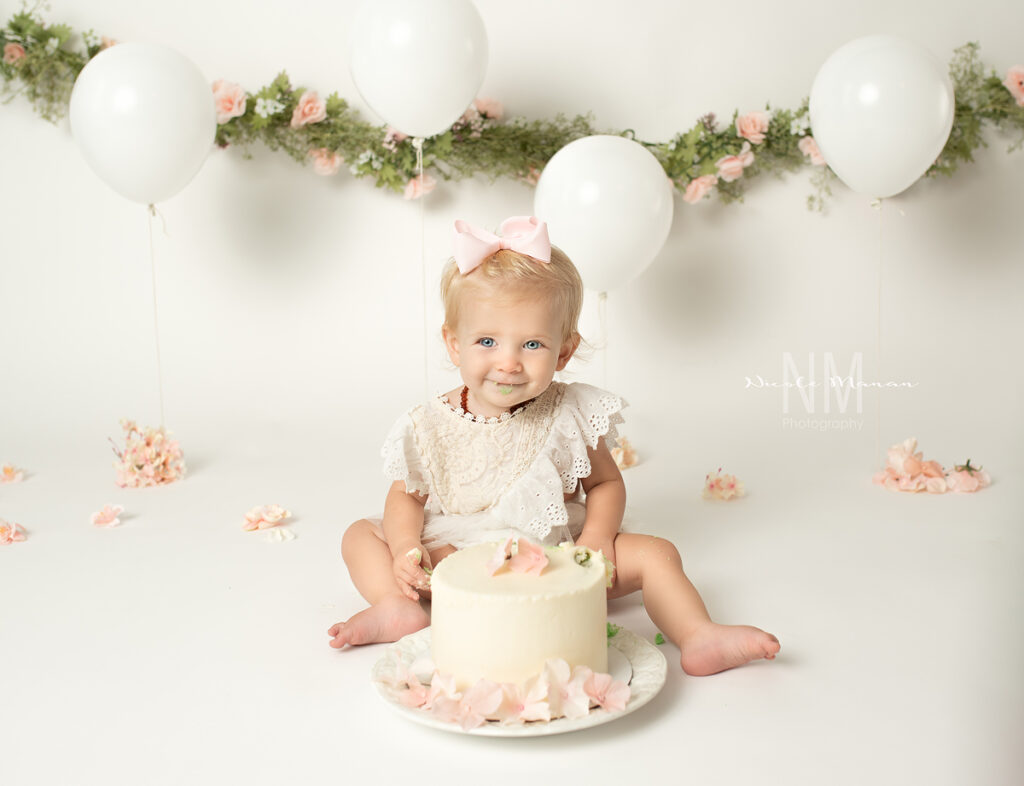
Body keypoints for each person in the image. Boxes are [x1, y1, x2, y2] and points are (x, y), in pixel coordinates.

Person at [328, 216, 780, 676]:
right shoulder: (428, 423)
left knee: (657, 553)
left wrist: (597, 539)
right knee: (360, 536)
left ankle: (698, 634)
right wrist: (406, 546)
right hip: (456, 559)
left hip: (555, 559)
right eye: (487, 341)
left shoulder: (569, 412)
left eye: (532, 344)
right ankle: (396, 604)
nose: (508, 362)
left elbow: (605, 484)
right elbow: (407, 496)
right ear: (453, 344)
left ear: (563, 351)